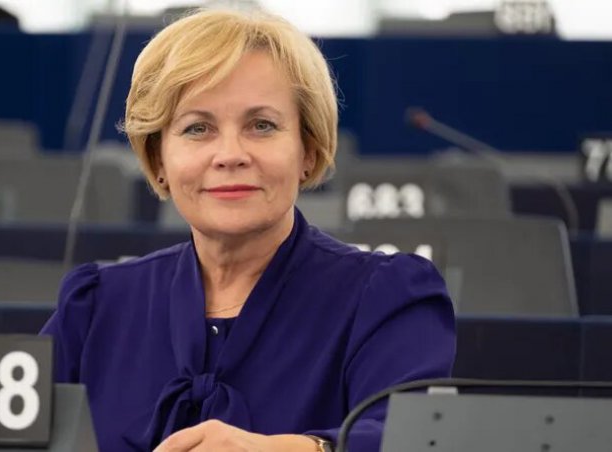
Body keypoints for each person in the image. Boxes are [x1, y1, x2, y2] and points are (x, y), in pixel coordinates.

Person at [41, 7, 455, 452]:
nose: (230, 154)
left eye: (261, 126)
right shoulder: (94, 307)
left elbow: (412, 441)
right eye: (198, 128)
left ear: (308, 151)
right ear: (158, 160)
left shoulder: (387, 297)